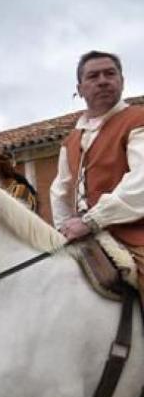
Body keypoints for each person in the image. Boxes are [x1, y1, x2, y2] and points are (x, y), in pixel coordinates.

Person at [51, 51, 144, 274]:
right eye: (93, 76)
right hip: (84, 238)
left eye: (110, 74)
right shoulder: (71, 141)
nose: (102, 81)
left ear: (121, 81)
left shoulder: (137, 119)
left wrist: (92, 221)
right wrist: (64, 230)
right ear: (80, 88)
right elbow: (60, 192)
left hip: (135, 234)